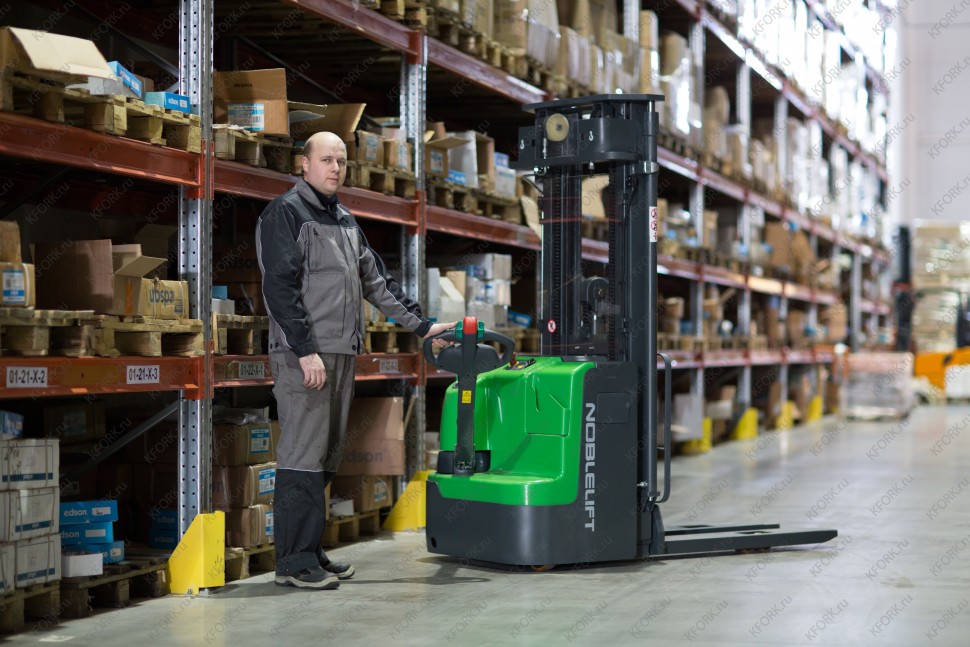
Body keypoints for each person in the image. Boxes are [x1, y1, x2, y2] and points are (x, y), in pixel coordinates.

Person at [257, 131, 454, 589]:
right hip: (305, 355)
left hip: (341, 353)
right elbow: (279, 288)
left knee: (326, 456)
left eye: (341, 161)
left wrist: (423, 326)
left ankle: (309, 550)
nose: (335, 168)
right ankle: (292, 563)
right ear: (304, 164)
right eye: (326, 159)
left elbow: (377, 282)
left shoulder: (344, 219)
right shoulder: (285, 213)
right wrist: (304, 350)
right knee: (302, 455)